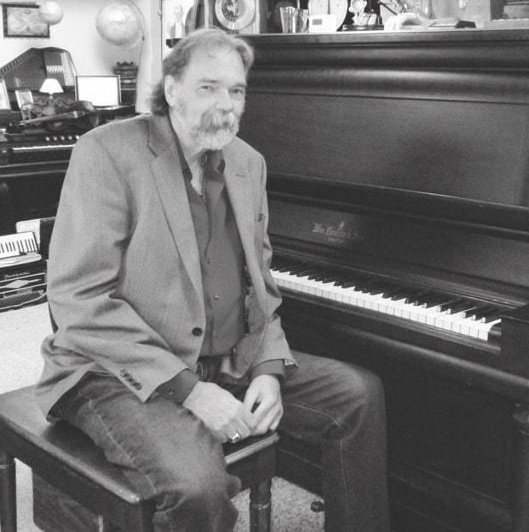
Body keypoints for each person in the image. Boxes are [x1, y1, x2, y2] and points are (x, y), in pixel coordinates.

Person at [36, 29, 390, 532]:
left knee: (358, 394)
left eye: (237, 90)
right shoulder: (107, 153)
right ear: (174, 89)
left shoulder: (248, 163)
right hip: (112, 370)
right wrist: (189, 391)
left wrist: (267, 365)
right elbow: (80, 298)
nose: (226, 105)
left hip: (222, 359)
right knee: (197, 485)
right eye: (209, 87)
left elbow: (259, 285)